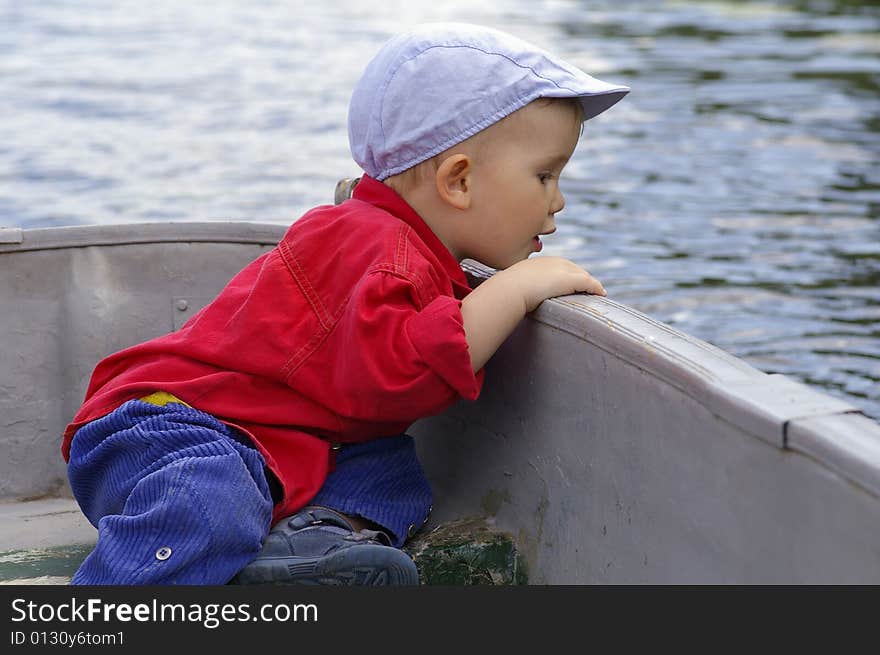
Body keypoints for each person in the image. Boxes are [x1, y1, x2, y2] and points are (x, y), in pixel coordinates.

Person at [61, 22, 628, 585]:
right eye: (545, 175)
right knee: (210, 500)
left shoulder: (410, 247)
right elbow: (400, 375)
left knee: (391, 477)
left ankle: (306, 553)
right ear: (458, 182)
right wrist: (517, 287)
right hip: (174, 426)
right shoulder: (374, 245)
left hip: (286, 443)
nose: (559, 200)